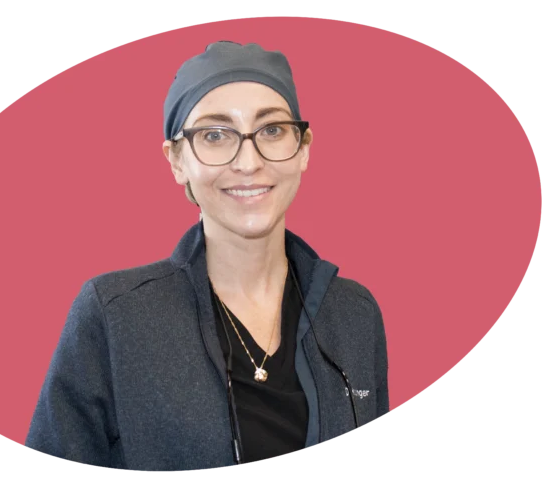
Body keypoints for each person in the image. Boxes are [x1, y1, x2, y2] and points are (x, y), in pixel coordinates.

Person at [24, 41, 390, 473]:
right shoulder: (114, 315)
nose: (248, 162)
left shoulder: (354, 313)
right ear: (177, 160)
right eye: (215, 136)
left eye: (271, 130)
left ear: (303, 147)